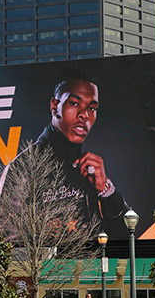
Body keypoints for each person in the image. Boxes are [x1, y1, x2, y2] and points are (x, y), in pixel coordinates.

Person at [34, 73, 130, 239]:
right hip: (50, 265)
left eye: (92, 108)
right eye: (74, 103)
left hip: (98, 264)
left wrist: (106, 191)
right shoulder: (24, 167)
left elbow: (129, 237)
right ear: (54, 106)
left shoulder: (92, 167)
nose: (84, 115)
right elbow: (9, 245)